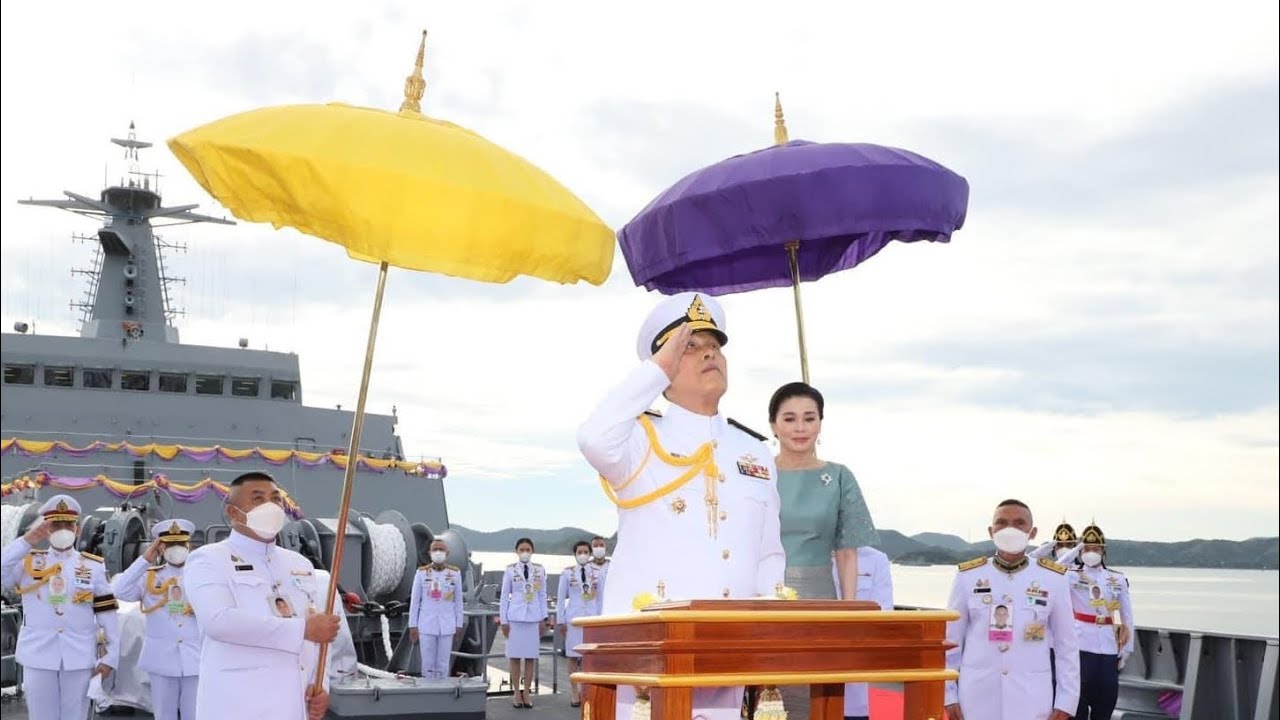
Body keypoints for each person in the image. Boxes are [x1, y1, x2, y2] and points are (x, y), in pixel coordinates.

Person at [577, 292, 786, 720]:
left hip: (726, 661)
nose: (710, 352)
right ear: (664, 366)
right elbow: (593, 437)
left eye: (715, 345)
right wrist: (655, 371)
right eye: (690, 345)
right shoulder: (638, 439)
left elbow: (768, 554)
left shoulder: (756, 453)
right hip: (646, 665)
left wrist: (769, 642)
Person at [184, 471, 346, 720]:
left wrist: (319, 684)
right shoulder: (209, 559)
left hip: (293, 704)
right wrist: (301, 629)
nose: (270, 505)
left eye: (276, 498)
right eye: (257, 498)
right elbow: (218, 621)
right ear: (233, 513)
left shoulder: (299, 563)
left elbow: (318, 631)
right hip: (239, 706)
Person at [944, 499, 1080, 720]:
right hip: (977, 696)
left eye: (1019, 523)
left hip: (1031, 697)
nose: (1010, 529)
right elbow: (951, 641)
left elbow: (1067, 646)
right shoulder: (967, 577)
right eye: (1002, 523)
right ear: (991, 531)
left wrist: (1066, 702)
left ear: (1032, 532)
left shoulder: (1053, 578)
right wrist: (948, 694)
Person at [0, 494, 120, 720]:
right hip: (39, 657)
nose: (63, 529)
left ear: (77, 529)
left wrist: (110, 657)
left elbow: (107, 613)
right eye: (56, 524)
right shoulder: (29, 563)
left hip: (78, 658)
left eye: (68, 524)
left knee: (75, 716)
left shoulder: (92, 566)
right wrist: (28, 540)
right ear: (46, 528)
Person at [769, 381, 879, 599]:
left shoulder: (839, 477)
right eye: (790, 419)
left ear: (820, 423)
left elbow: (847, 552)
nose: (800, 428)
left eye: (809, 419)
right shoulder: (758, 475)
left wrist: (848, 611)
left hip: (820, 598)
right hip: (762, 596)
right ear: (773, 425)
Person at [111, 518, 202, 720]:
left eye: (180, 544)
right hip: (161, 659)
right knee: (164, 715)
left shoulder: (202, 576)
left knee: (195, 715)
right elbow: (119, 590)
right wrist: (146, 558)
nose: (175, 549)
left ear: (189, 545)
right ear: (160, 548)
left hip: (194, 658)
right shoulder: (149, 577)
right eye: (170, 544)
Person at [1066, 521, 1135, 720]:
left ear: (1103, 551)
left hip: (1108, 648)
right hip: (1080, 646)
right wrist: (1074, 550)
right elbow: (1053, 569)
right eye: (1087, 548)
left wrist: (1126, 649)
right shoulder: (1071, 575)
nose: (1091, 552)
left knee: (1105, 704)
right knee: (1077, 708)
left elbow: (1125, 615)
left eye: (1096, 548)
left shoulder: (1117, 579)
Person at [831, 546, 893, 720]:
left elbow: (883, 617)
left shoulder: (875, 559)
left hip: (853, 689)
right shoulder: (802, 553)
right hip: (800, 687)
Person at [498, 537, 548, 708]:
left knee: (530, 657)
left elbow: (542, 596)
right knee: (514, 657)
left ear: (532, 551)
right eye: (521, 549)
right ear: (517, 551)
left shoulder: (539, 570)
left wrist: (544, 618)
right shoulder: (510, 570)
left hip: (533, 618)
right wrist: (504, 621)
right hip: (515, 618)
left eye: (528, 549)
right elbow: (504, 596)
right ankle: (516, 693)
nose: (525, 552)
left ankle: (527, 692)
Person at [556, 540, 605, 707]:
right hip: (573, 619)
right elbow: (561, 599)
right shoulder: (567, 573)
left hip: (591, 619)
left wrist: (601, 619)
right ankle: (574, 691)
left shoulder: (598, 573)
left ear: (590, 554)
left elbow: (601, 598)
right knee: (572, 656)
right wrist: (560, 620)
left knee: (589, 656)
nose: (582, 555)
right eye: (579, 552)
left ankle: (587, 690)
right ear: (575, 555)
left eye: (585, 552)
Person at [408, 538, 465, 679]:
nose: (438, 552)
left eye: (441, 549)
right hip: (426, 624)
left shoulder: (454, 574)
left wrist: (459, 624)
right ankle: (428, 691)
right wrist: (413, 626)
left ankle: (442, 693)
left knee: (443, 663)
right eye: (435, 549)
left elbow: (458, 602)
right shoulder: (421, 573)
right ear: (430, 552)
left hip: (447, 624)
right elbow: (415, 602)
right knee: (427, 663)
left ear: (447, 553)